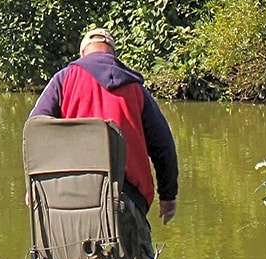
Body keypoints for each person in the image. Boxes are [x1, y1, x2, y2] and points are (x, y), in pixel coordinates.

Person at [31, 27, 179, 225]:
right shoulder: (135, 88)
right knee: (134, 253)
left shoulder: (64, 79)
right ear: (113, 54)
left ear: (82, 53)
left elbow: (35, 131)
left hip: (70, 198)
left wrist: (34, 186)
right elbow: (163, 145)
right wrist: (168, 196)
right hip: (127, 198)